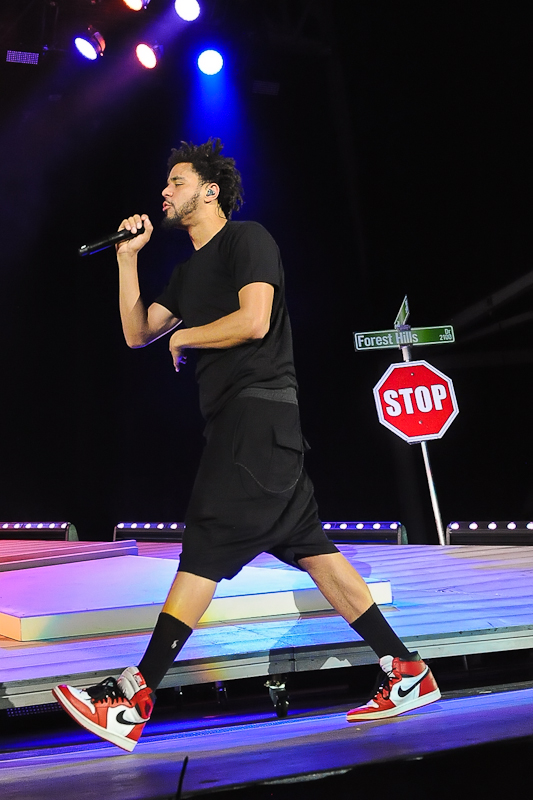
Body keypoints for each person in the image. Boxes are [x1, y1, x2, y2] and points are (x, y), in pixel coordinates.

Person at [53, 139, 440, 752]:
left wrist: (189, 340)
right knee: (312, 549)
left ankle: (133, 696)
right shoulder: (183, 274)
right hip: (247, 427)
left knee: (206, 535)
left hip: (258, 417)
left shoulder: (248, 240)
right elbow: (135, 334)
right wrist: (128, 258)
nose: (164, 193)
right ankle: (406, 669)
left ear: (209, 191)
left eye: (175, 182)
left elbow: (254, 320)